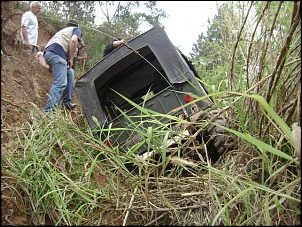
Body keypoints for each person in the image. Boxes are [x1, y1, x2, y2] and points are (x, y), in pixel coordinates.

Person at [42, 19, 84, 113]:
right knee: (60, 83)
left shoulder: (62, 32)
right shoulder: (76, 29)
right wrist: (72, 58)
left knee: (69, 72)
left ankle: (67, 102)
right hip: (57, 55)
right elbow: (73, 41)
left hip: (49, 53)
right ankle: (48, 111)